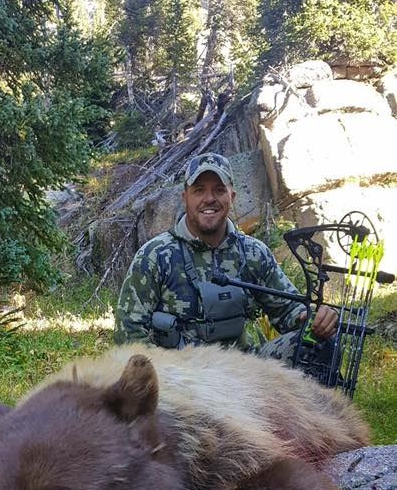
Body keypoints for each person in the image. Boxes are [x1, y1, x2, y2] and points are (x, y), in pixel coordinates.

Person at [114, 151, 338, 359]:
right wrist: (171, 375)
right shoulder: (155, 255)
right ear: (185, 197)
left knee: (316, 344)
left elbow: (288, 308)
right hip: (180, 377)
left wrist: (313, 319)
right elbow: (129, 332)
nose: (209, 198)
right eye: (199, 190)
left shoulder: (253, 253)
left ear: (232, 196)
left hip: (243, 371)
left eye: (219, 190)